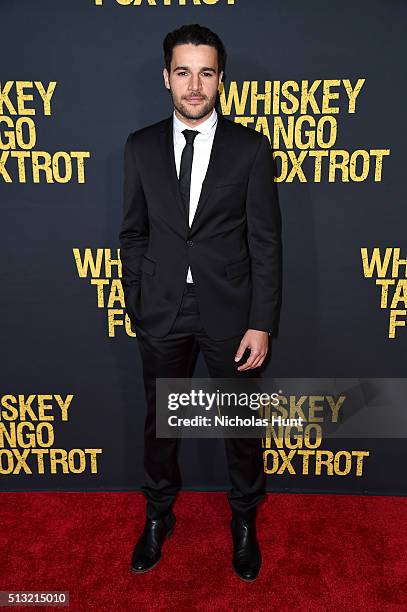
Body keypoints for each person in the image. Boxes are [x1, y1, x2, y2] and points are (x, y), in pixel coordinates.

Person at [119, 23, 282, 582]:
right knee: (160, 428)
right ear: (166, 78)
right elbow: (133, 232)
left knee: (240, 427)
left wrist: (260, 323)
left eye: (206, 73)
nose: (194, 85)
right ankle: (158, 517)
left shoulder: (250, 148)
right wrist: (138, 296)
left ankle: (243, 521)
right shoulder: (140, 146)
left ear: (220, 80)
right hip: (162, 310)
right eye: (183, 72)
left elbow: (265, 242)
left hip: (230, 314)